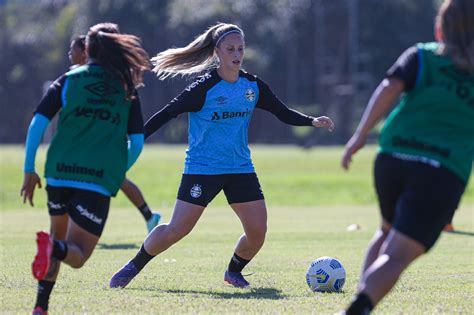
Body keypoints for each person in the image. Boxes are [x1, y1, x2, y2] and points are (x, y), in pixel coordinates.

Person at [109, 22, 334, 289]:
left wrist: (311, 121)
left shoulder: (252, 86)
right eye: (230, 49)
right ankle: (131, 267)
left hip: (240, 168)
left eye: (240, 48)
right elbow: (167, 113)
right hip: (203, 169)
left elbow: (282, 112)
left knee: (257, 232)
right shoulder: (204, 88)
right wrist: (135, 138)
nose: (237, 54)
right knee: (177, 229)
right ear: (218, 52)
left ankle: (233, 272)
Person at [341, 0, 473, 313]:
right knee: (397, 255)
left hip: (392, 158)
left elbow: (388, 87)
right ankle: (357, 308)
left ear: (441, 27)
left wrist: (360, 136)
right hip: (440, 170)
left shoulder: (422, 55)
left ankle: (363, 300)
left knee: (386, 231)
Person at [21, 23, 150, 314]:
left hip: (58, 173)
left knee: (57, 235)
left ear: (87, 49)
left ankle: (41, 306)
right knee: (76, 256)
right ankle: (53, 251)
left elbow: (37, 125)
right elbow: (138, 143)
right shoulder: (125, 88)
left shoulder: (68, 79)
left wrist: (30, 169)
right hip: (95, 180)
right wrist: (115, 172)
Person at [67, 35, 161, 232]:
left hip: (103, 144)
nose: (70, 54)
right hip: (90, 145)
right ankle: (149, 217)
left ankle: (75, 226)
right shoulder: (79, 76)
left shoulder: (103, 79)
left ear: (85, 52)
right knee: (116, 179)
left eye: (73, 49)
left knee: (104, 178)